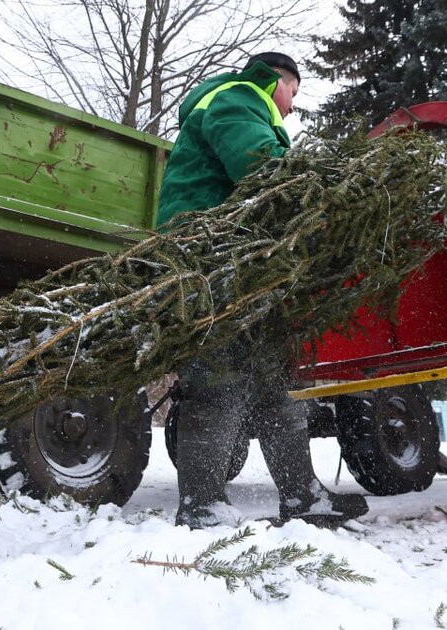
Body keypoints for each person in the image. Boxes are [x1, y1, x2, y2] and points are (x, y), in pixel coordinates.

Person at [157, 52, 370, 529]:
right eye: (293, 93)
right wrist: (322, 184)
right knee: (218, 377)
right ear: (276, 81)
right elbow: (260, 170)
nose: (292, 107)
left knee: (277, 382)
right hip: (209, 259)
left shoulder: (246, 106)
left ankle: (302, 497)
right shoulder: (238, 98)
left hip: (243, 263)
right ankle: (201, 505)